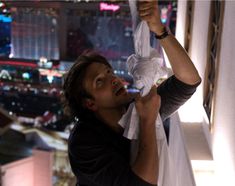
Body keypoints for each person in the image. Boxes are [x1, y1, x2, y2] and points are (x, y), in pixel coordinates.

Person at [63, 1, 201, 186]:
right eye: (99, 81)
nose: (113, 79)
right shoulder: (84, 142)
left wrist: (159, 29)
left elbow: (188, 81)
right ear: (90, 103)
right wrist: (147, 121)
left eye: (109, 72)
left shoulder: (136, 110)